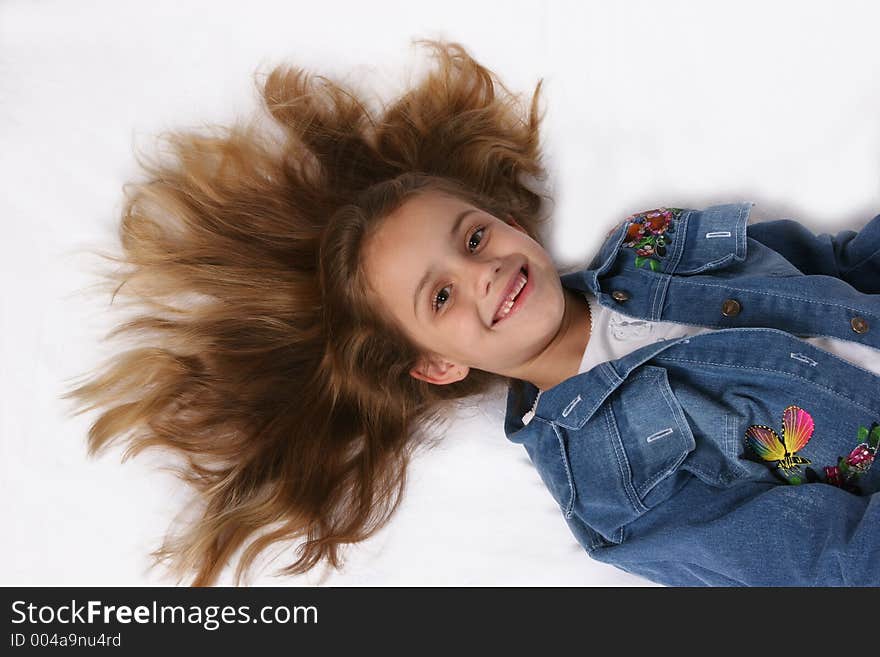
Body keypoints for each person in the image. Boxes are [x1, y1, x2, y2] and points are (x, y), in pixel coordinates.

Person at [62, 38, 880, 587]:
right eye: (441, 296)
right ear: (436, 363)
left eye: (474, 235)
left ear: (510, 222)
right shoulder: (612, 487)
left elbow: (836, 262)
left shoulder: (655, 244)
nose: (485, 271)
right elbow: (826, 566)